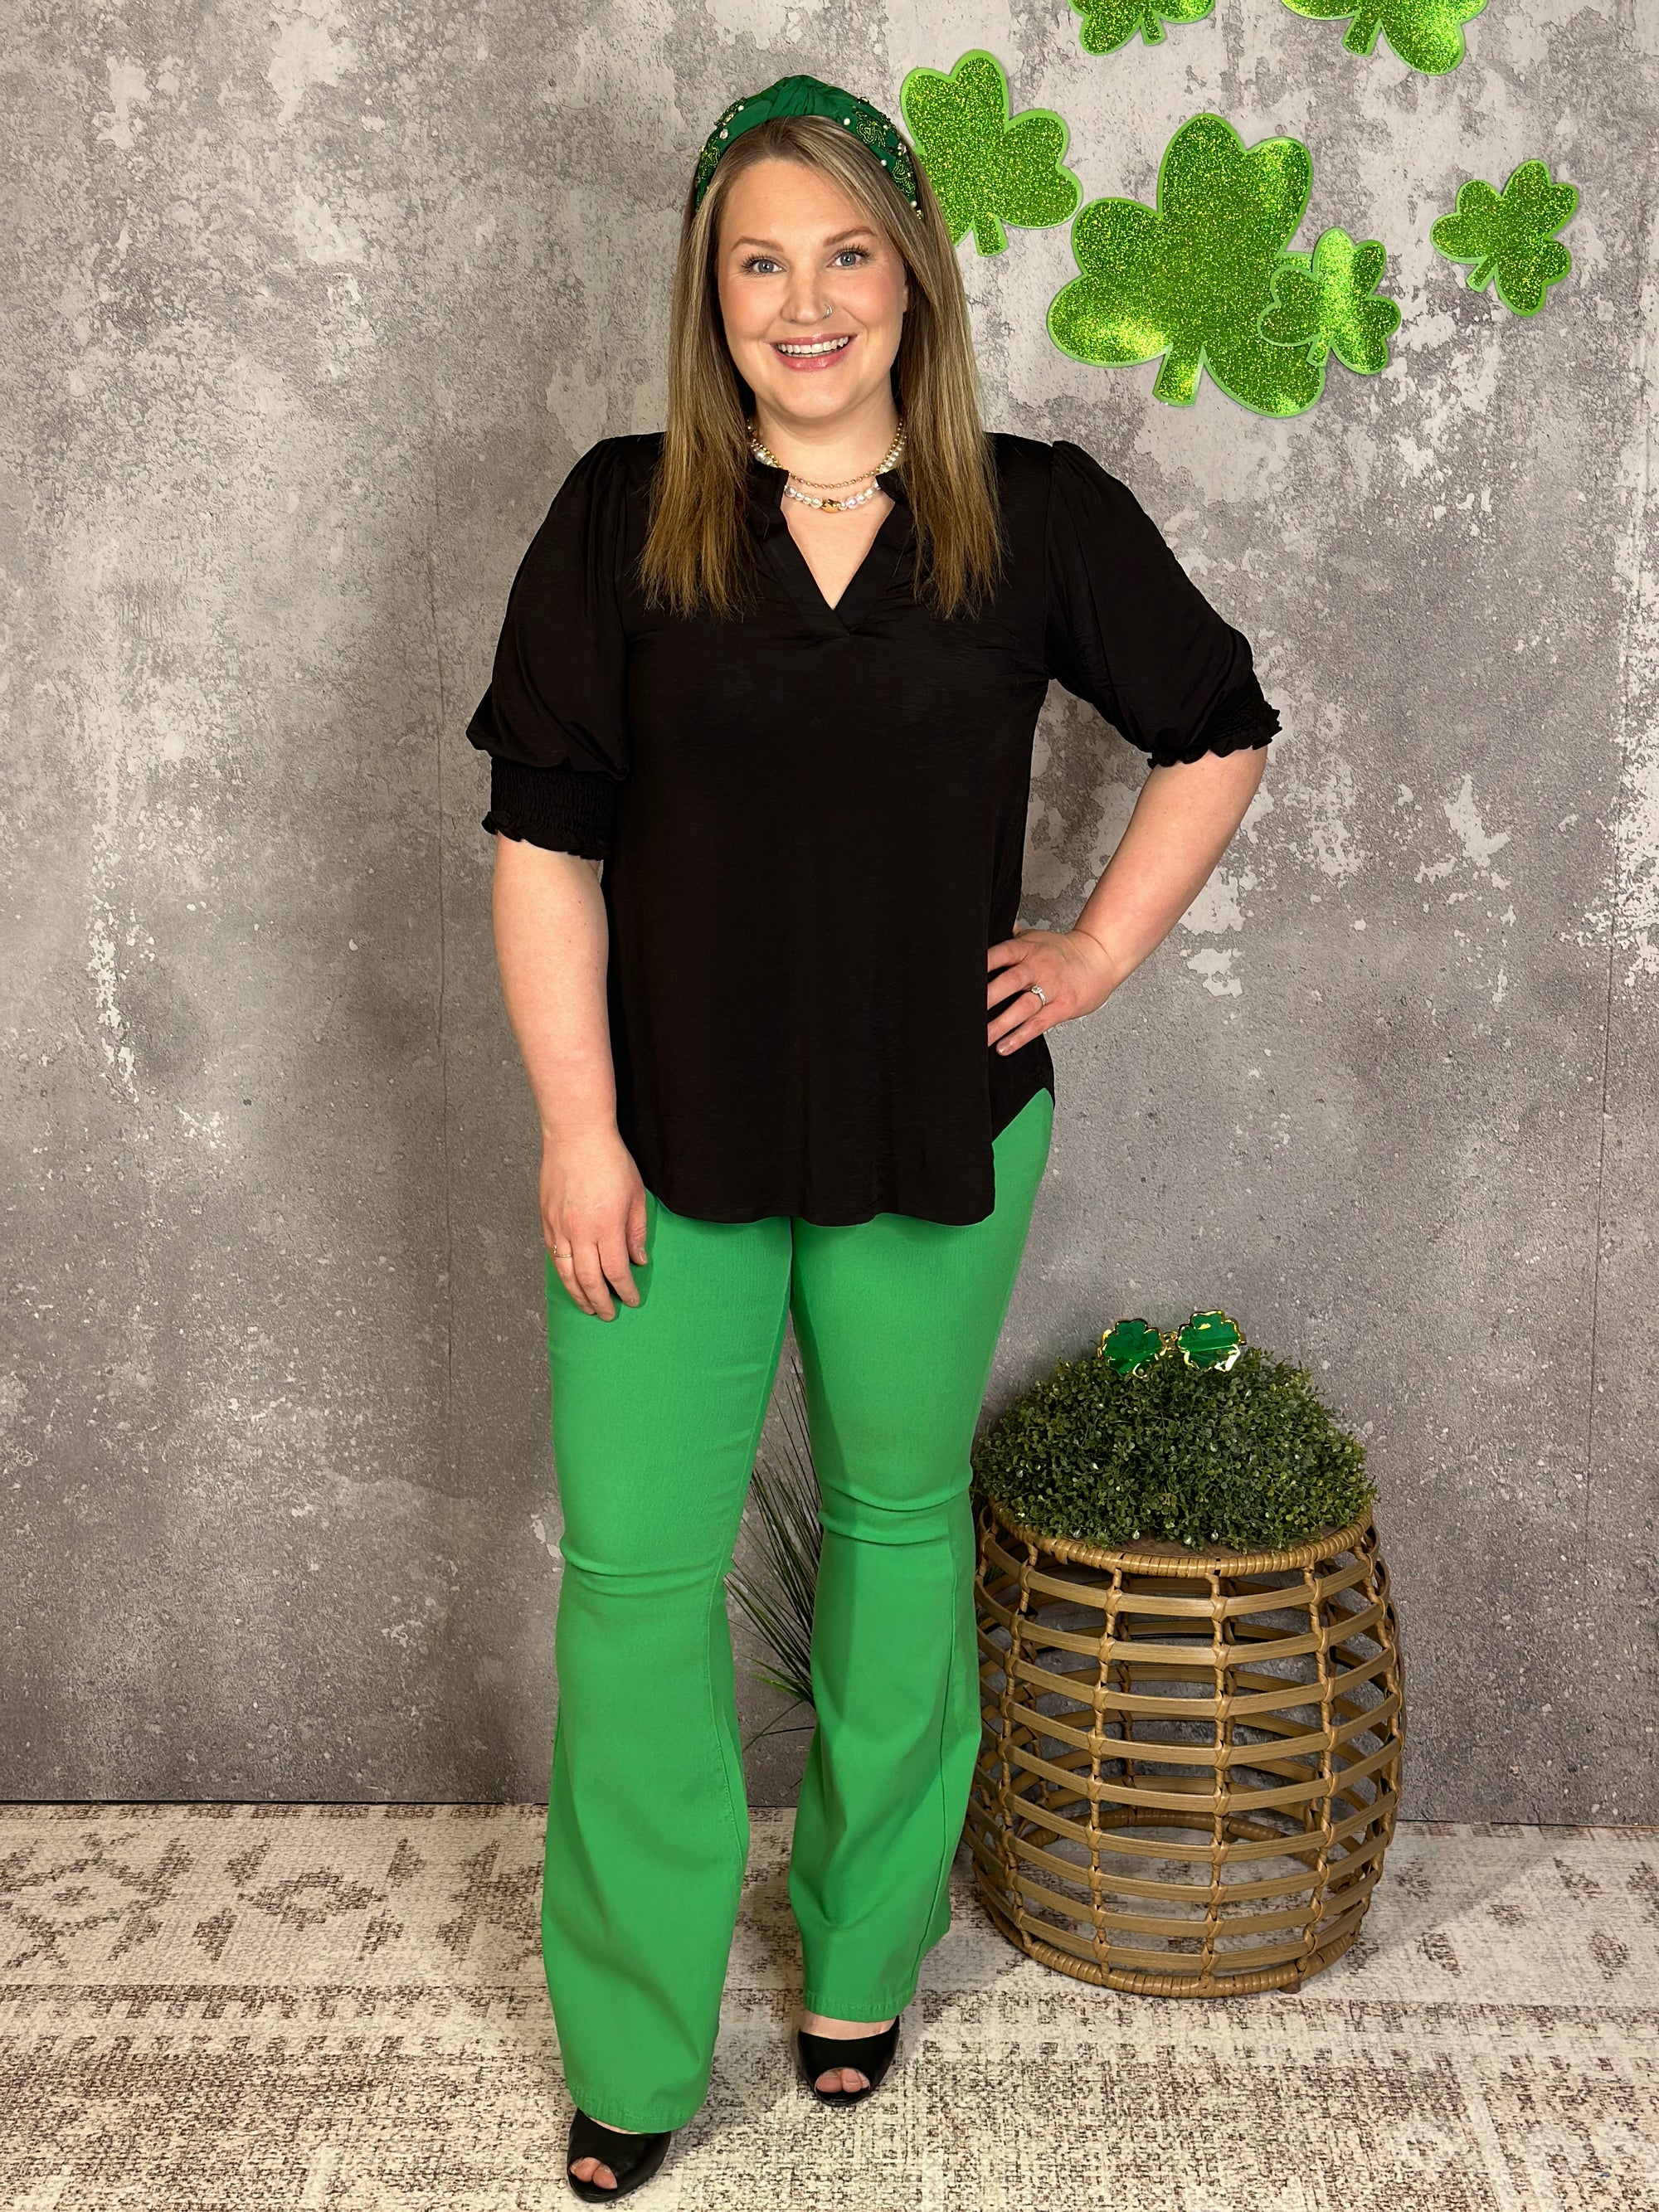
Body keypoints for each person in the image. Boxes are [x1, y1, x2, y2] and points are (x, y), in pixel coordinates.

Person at [467, 73, 1277, 2201]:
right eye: (758, 260)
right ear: (709, 293)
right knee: (635, 1586)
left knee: (899, 1541)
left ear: (911, 279)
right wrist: (575, 1127)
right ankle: (632, 2043)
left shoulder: (1032, 512)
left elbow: (1216, 723)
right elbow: (543, 841)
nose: (803, 299)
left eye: (845, 254)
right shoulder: (620, 515)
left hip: (940, 1120)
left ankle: (859, 1957)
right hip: (661, 1140)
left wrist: (1095, 945)